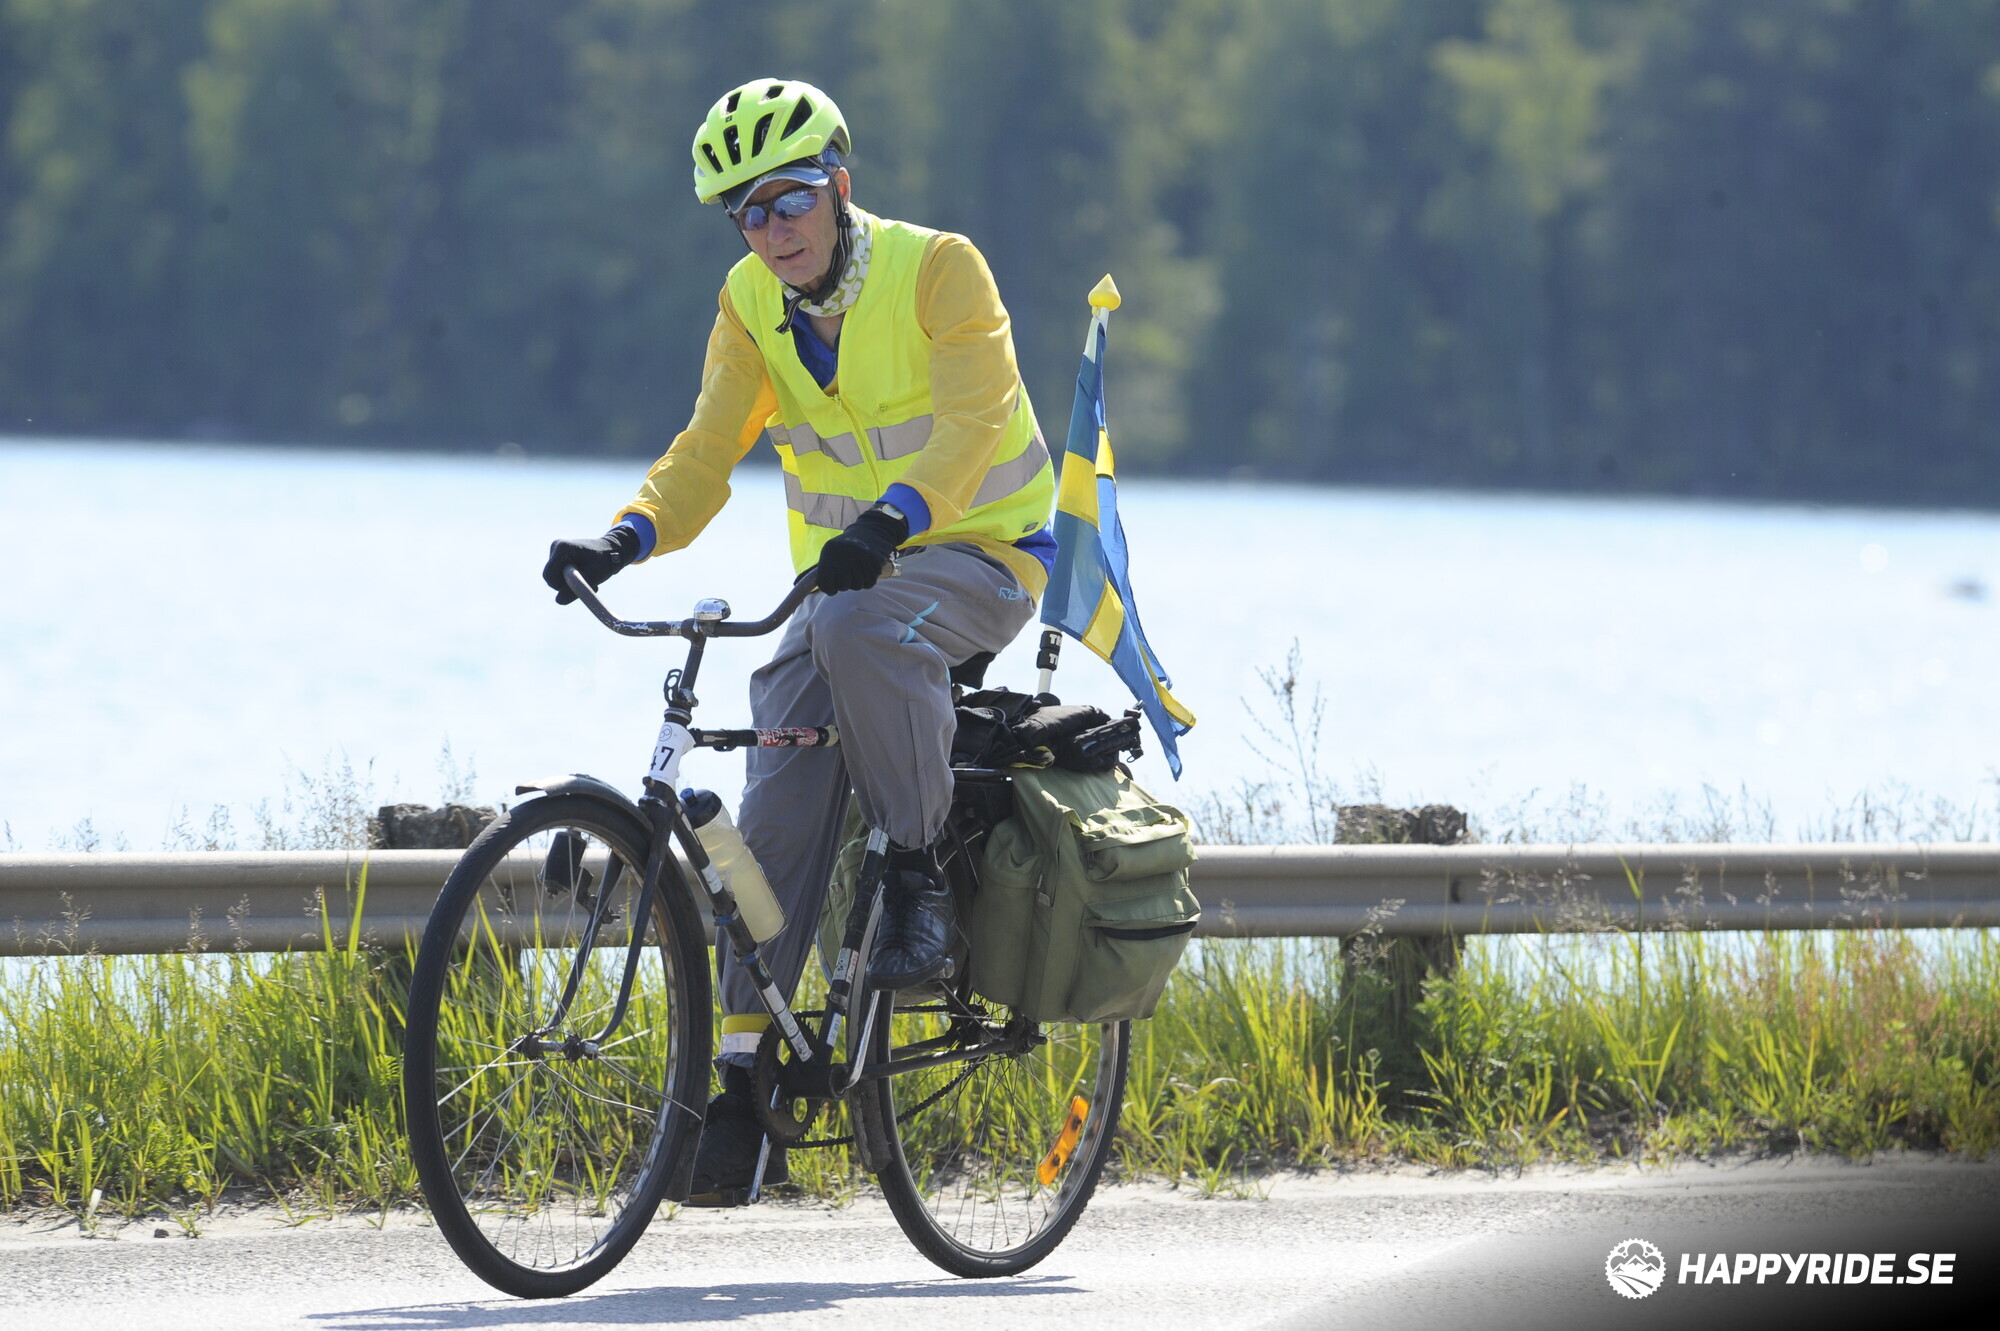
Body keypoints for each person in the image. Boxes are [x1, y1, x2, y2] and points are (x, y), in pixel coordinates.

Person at [541, 77, 1055, 1204]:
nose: (771, 229)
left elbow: (975, 422)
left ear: (839, 186)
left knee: (858, 623)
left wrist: (894, 520)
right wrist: (625, 535)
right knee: (765, 816)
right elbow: (706, 448)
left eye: (789, 199)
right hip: (844, 586)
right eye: (747, 212)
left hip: (982, 555)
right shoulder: (747, 303)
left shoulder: (939, 269)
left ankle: (915, 872)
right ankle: (744, 1077)